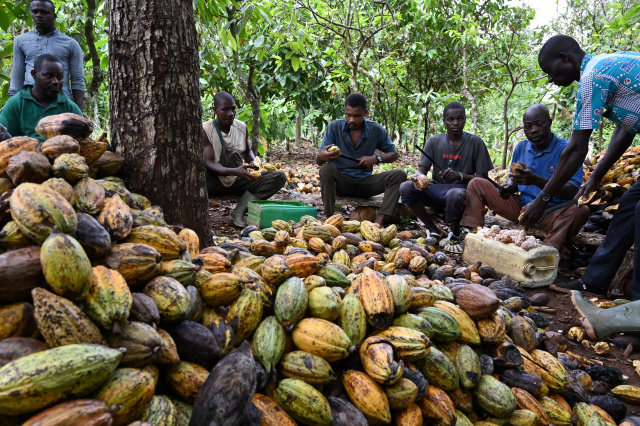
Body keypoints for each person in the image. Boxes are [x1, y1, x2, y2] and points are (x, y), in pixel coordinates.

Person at [520, 35, 640, 298]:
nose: (550, 79)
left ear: (565, 58)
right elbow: (626, 127)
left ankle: (637, 307)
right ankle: (594, 282)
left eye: (549, 71)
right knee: (629, 208)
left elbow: (575, 149)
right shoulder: (605, 65)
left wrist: (543, 199)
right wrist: (595, 176)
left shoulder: (592, 77)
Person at [460, 104, 590, 253]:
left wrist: (536, 180)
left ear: (550, 122)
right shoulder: (521, 147)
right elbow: (513, 178)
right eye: (528, 126)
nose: (533, 130)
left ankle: (544, 252)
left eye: (539, 124)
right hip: (523, 211)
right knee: (477, 183)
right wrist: (508, 186)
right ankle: (473, 237)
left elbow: (572, 191)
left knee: (580, 211)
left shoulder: (567, 150)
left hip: (552, 214)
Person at [399, 102, 493, 238]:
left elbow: (483, 179)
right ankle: (433, 229)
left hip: (462, 191)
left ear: (465, 120)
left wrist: (460, 176)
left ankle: (454, 232)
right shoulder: (434, 141)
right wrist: (417, 177)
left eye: (460, 119)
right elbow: (421, 171)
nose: (456, 123)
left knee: (453, 194)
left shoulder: (475, 142)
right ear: (444, 121)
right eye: (450, 119)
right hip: (436, 189)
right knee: (406, 187)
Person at [316, 93, 406, 225]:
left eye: (357, 116)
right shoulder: (334, 127)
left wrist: (376, 158)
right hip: (341, 183)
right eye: (348, 115)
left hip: (366, 183)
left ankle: (379, 221)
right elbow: (319, 162)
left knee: (400, 174)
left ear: (365, 113)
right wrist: (322, 156)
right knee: (326, 168)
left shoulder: (375, 129)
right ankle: (330, 218)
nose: (351, 119)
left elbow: (394, 154)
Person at [202, 91, 286, 227]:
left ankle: (238, 212)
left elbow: (247, 151)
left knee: (279, 177)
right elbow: (209, 163)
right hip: (213, 182)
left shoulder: (241, 127)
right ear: (215, 110)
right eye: (225, 109)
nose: (230, 113)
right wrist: (236, 171)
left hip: (237, 180)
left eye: (233, 109)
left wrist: (253, 163)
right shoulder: (206, 129)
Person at [9, 0, 84, 109]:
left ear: (54, 16)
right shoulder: (21, 41)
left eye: (44, 12)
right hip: (29, 103)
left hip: (61, 103)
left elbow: (77, 80)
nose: (38, 15)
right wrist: (13, 107)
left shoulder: (71, 44)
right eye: (35, 12)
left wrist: (78, 112)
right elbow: (17, 77)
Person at [0, 54, 83, 142]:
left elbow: (84, 139)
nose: (55, 82)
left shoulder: (70, 108)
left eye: (60, 78)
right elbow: (5, 135)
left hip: (62, 154)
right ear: (34, 74)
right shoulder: (16, 103)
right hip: (23, 153)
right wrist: (7, 138)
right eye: (48, 76)